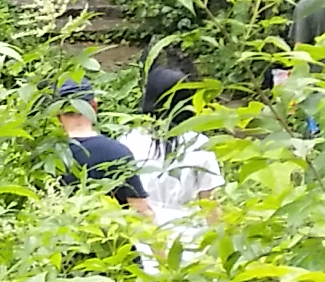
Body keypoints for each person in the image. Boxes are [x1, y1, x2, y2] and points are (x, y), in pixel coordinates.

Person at [118, 53, 226, 250]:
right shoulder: (199, 144)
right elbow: (209, 206)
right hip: (190, 240)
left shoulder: (127, 141)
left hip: (144, 237)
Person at [53, 79, 152, 217]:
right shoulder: (117, 152)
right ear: (94, 106)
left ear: (57, 115)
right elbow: (141, 211)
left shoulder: (47, 155)